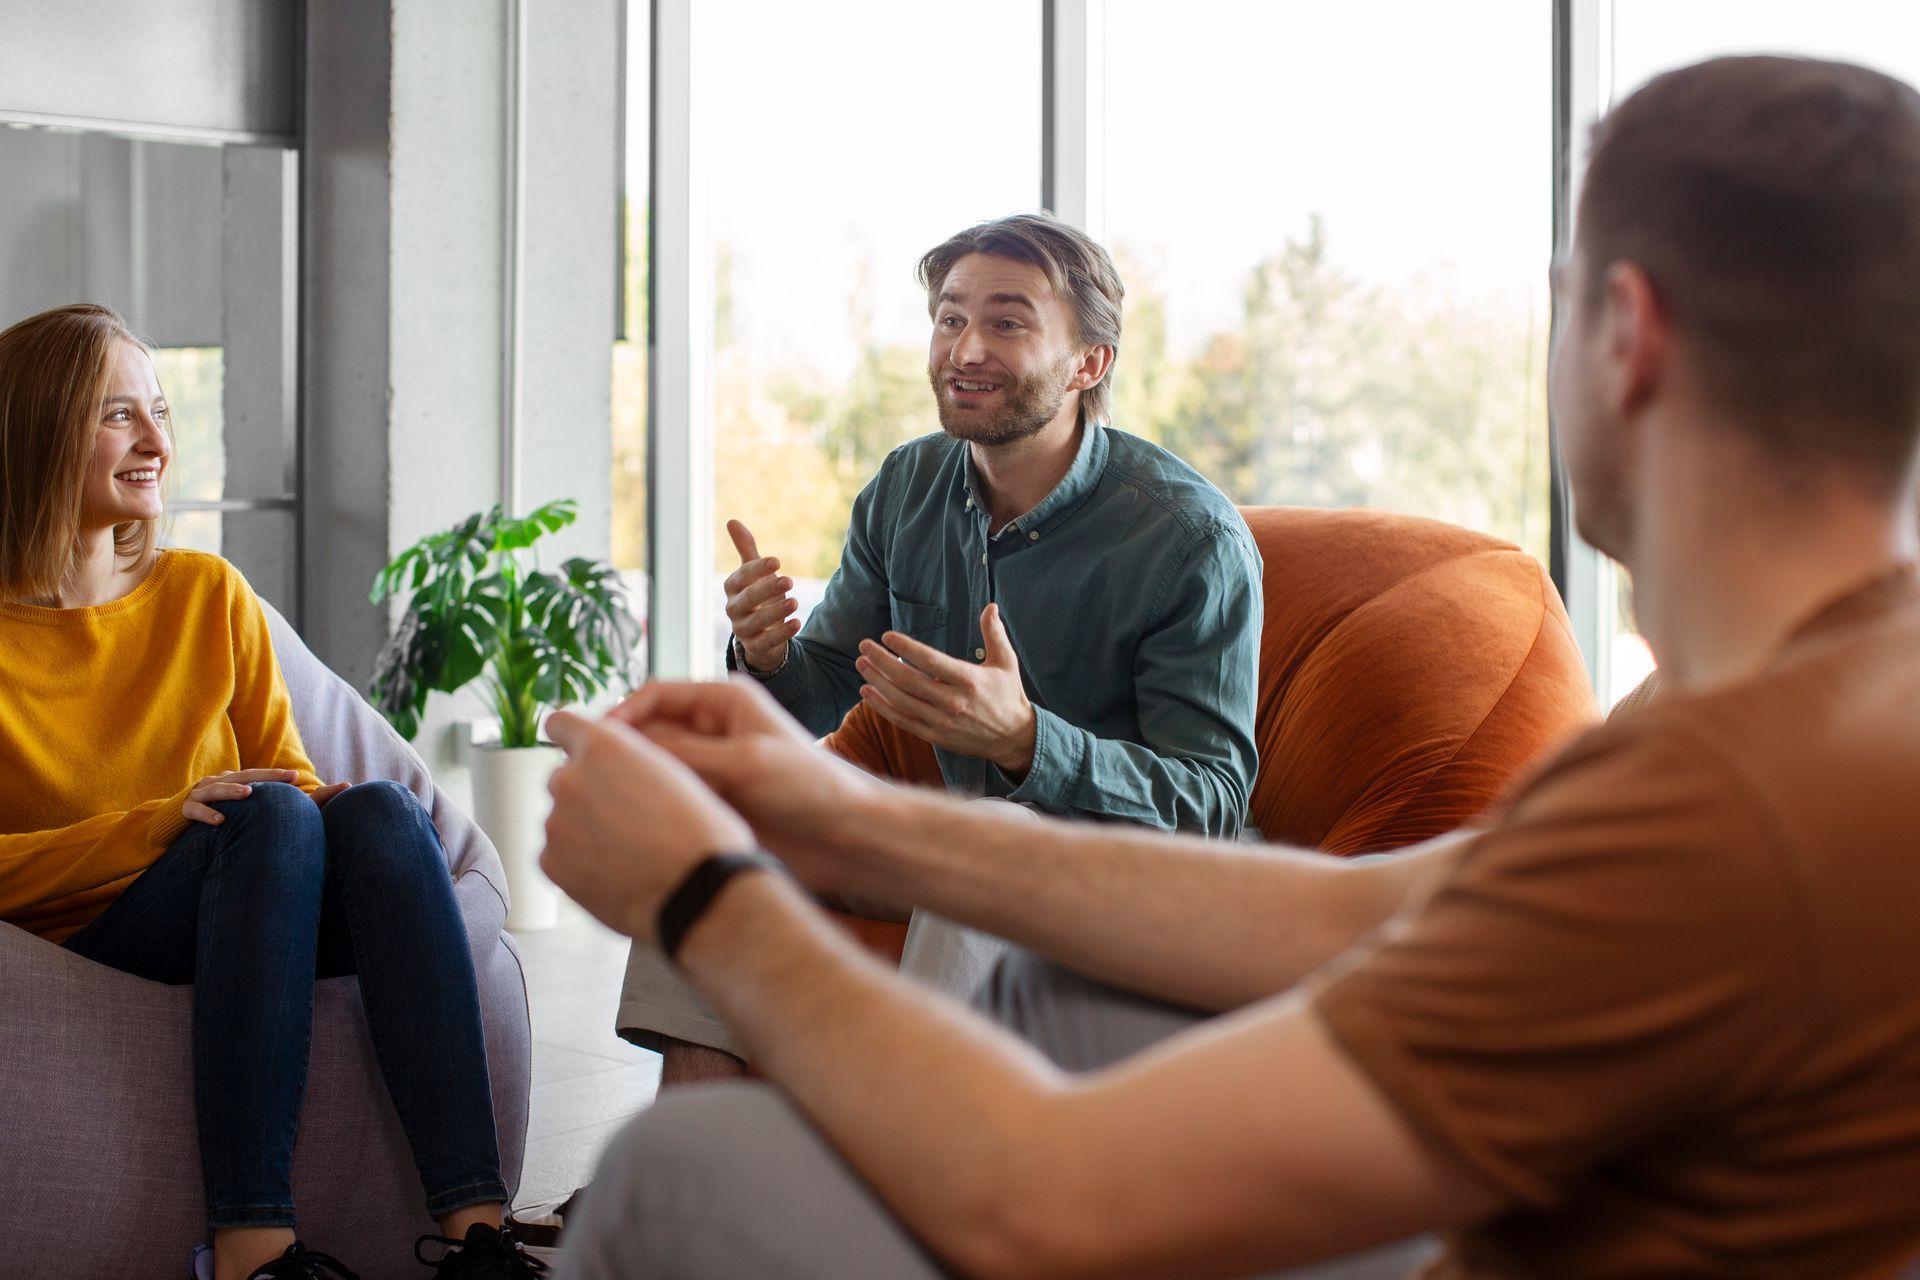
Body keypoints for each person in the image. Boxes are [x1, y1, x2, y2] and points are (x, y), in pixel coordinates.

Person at [540, 55, 1920, 1278]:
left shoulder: (1735, 811)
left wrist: (707, 886)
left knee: (682, 1182)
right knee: (1053, 991)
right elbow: (1358, 916)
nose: (964, 347)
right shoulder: (1784, 703)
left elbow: (1049, 1199)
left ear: (1628, 335)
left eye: (1558, 307)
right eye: (949, 318)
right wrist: (840, 813)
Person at [619, 212, 1264, 1084]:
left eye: (1007, 321)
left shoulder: (1189, 540)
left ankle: (902, 1181)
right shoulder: (906, 487)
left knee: (988, 841)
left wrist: (1028, 743)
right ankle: (689, 1175)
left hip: (1123, 887)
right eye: (951, 317)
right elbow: (818, 697)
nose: (965, 349)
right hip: (954, 845)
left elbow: (1212, 806)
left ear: (1089, 363)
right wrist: (766, 658)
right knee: (721, 803)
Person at [0, 305, 543, 1280]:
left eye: (161, 411)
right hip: (95, 923)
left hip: (255, 899)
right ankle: (254, 1247)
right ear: (38, 426)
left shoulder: (208, 594)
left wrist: (315, 811)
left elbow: (290, 774)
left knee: (376, 807)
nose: (159, 442)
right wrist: (157, 826)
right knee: (274, 812)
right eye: (120, 415)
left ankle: (478, 1235)